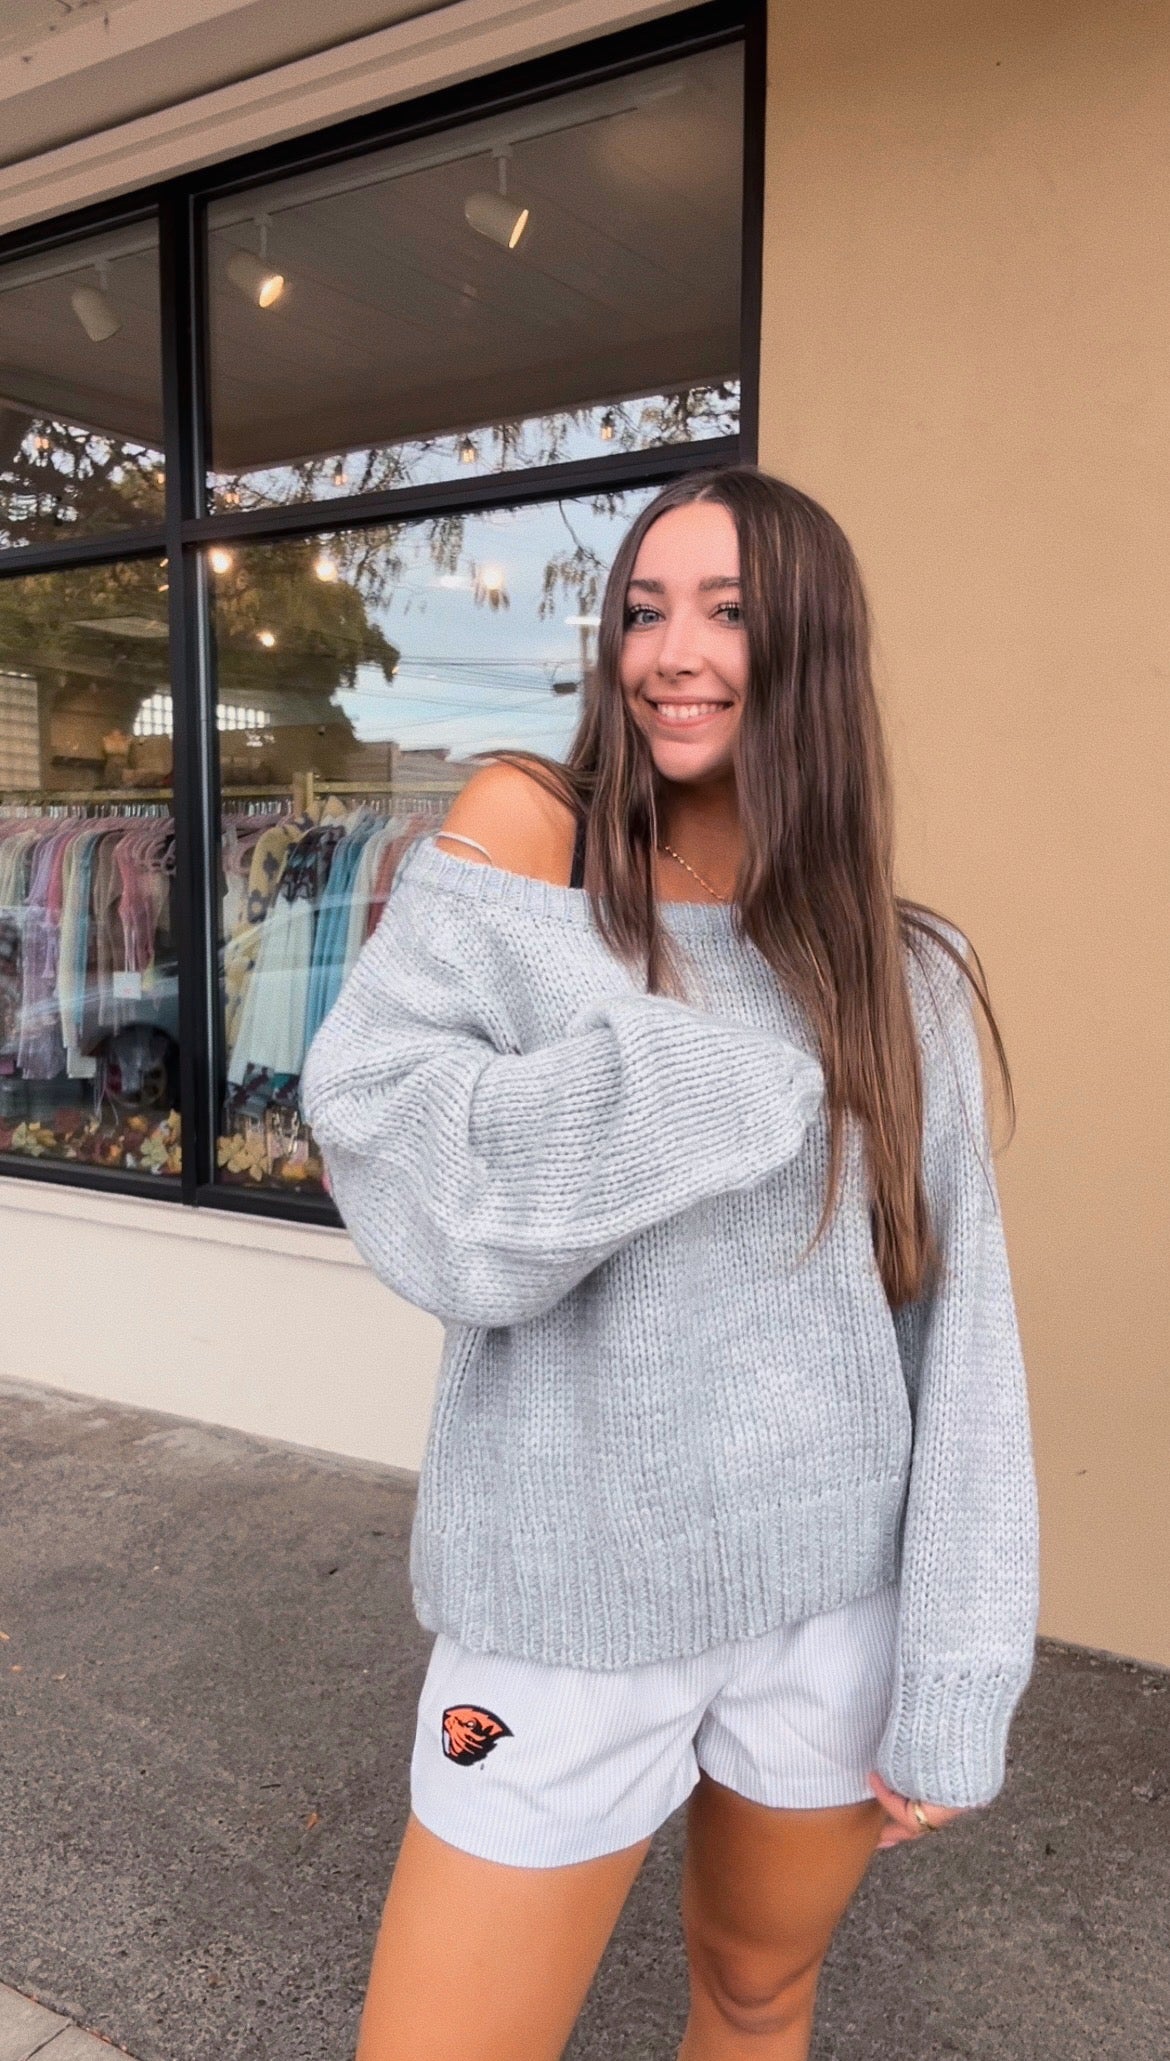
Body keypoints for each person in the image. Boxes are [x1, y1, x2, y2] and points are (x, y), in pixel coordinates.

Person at [298, 464, 1041, 2061]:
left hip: (830, 1599)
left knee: (759, 1994)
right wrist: (671, 1077)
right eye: (642, 609)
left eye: (726, 611)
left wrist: (958, 1663)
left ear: (813, 656)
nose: (669, 651)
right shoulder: (527, 847)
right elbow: (389, 1155)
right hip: (559, 1593)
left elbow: (956, 1330)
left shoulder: (902, 969)